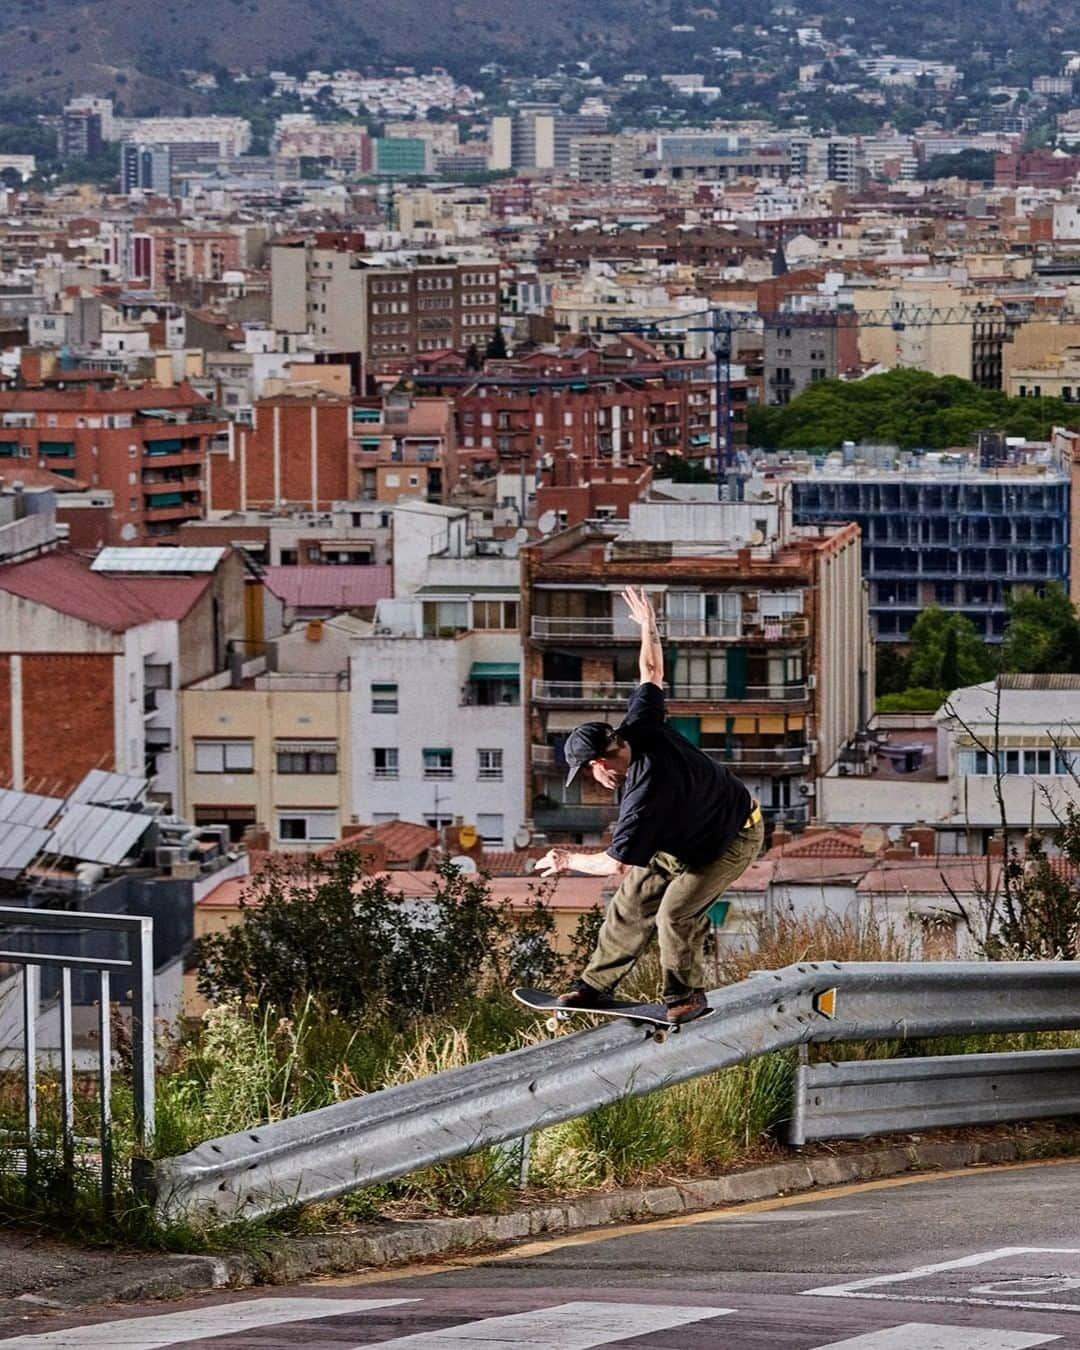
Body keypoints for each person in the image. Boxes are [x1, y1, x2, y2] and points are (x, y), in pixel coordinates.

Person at [536, 585, 764, 1025]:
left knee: (674, 914)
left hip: (730, 836)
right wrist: (648, 627)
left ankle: (686, 995)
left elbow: (613, 863)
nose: (596, 778)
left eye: (592, 771)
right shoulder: (639, 724)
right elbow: (650, 670)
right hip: (684, 833)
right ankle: (594, 987)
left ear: (601, 759)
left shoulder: (643, 794)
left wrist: (566, 859)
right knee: (629, 902)